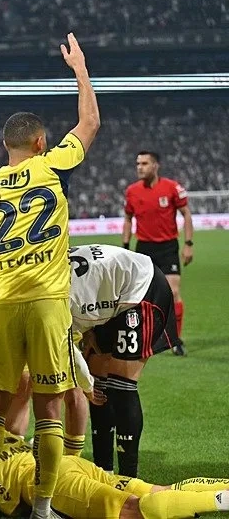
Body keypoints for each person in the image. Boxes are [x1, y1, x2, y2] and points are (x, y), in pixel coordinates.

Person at [0, 33, 100, 519]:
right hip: (48, 303)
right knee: (49, 407)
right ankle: (43, 507)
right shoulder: (52, 166)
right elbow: (90, 123)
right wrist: (80, 69)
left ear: (5, 146)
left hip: (3, 302)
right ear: (40, 142)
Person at [0, 419, 229, 519]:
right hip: (68, 465)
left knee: (133, 509)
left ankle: (225, 500)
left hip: (50, 483)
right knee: (160, 491)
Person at [68, 244, 183, 477]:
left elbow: (66, 350)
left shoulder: (46, 302)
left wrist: (86, 386)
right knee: (99, 383)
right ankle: (104, 472)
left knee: (121, 385)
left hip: (140, 288)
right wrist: (87, 329)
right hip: (107, 296)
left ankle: (128, 478)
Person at [123, 151, 192, 356]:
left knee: (173, 292)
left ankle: (175, 340)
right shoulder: (132, 191)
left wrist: (188, 244)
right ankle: (143, 338)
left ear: (155, 166)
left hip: (168, 247)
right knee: (142, 296)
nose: (140, 167)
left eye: (144, 163)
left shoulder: (172, 188)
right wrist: (125, 246)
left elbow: (186, 214)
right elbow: (127, 219)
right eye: (138, 163)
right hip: (144, 249)